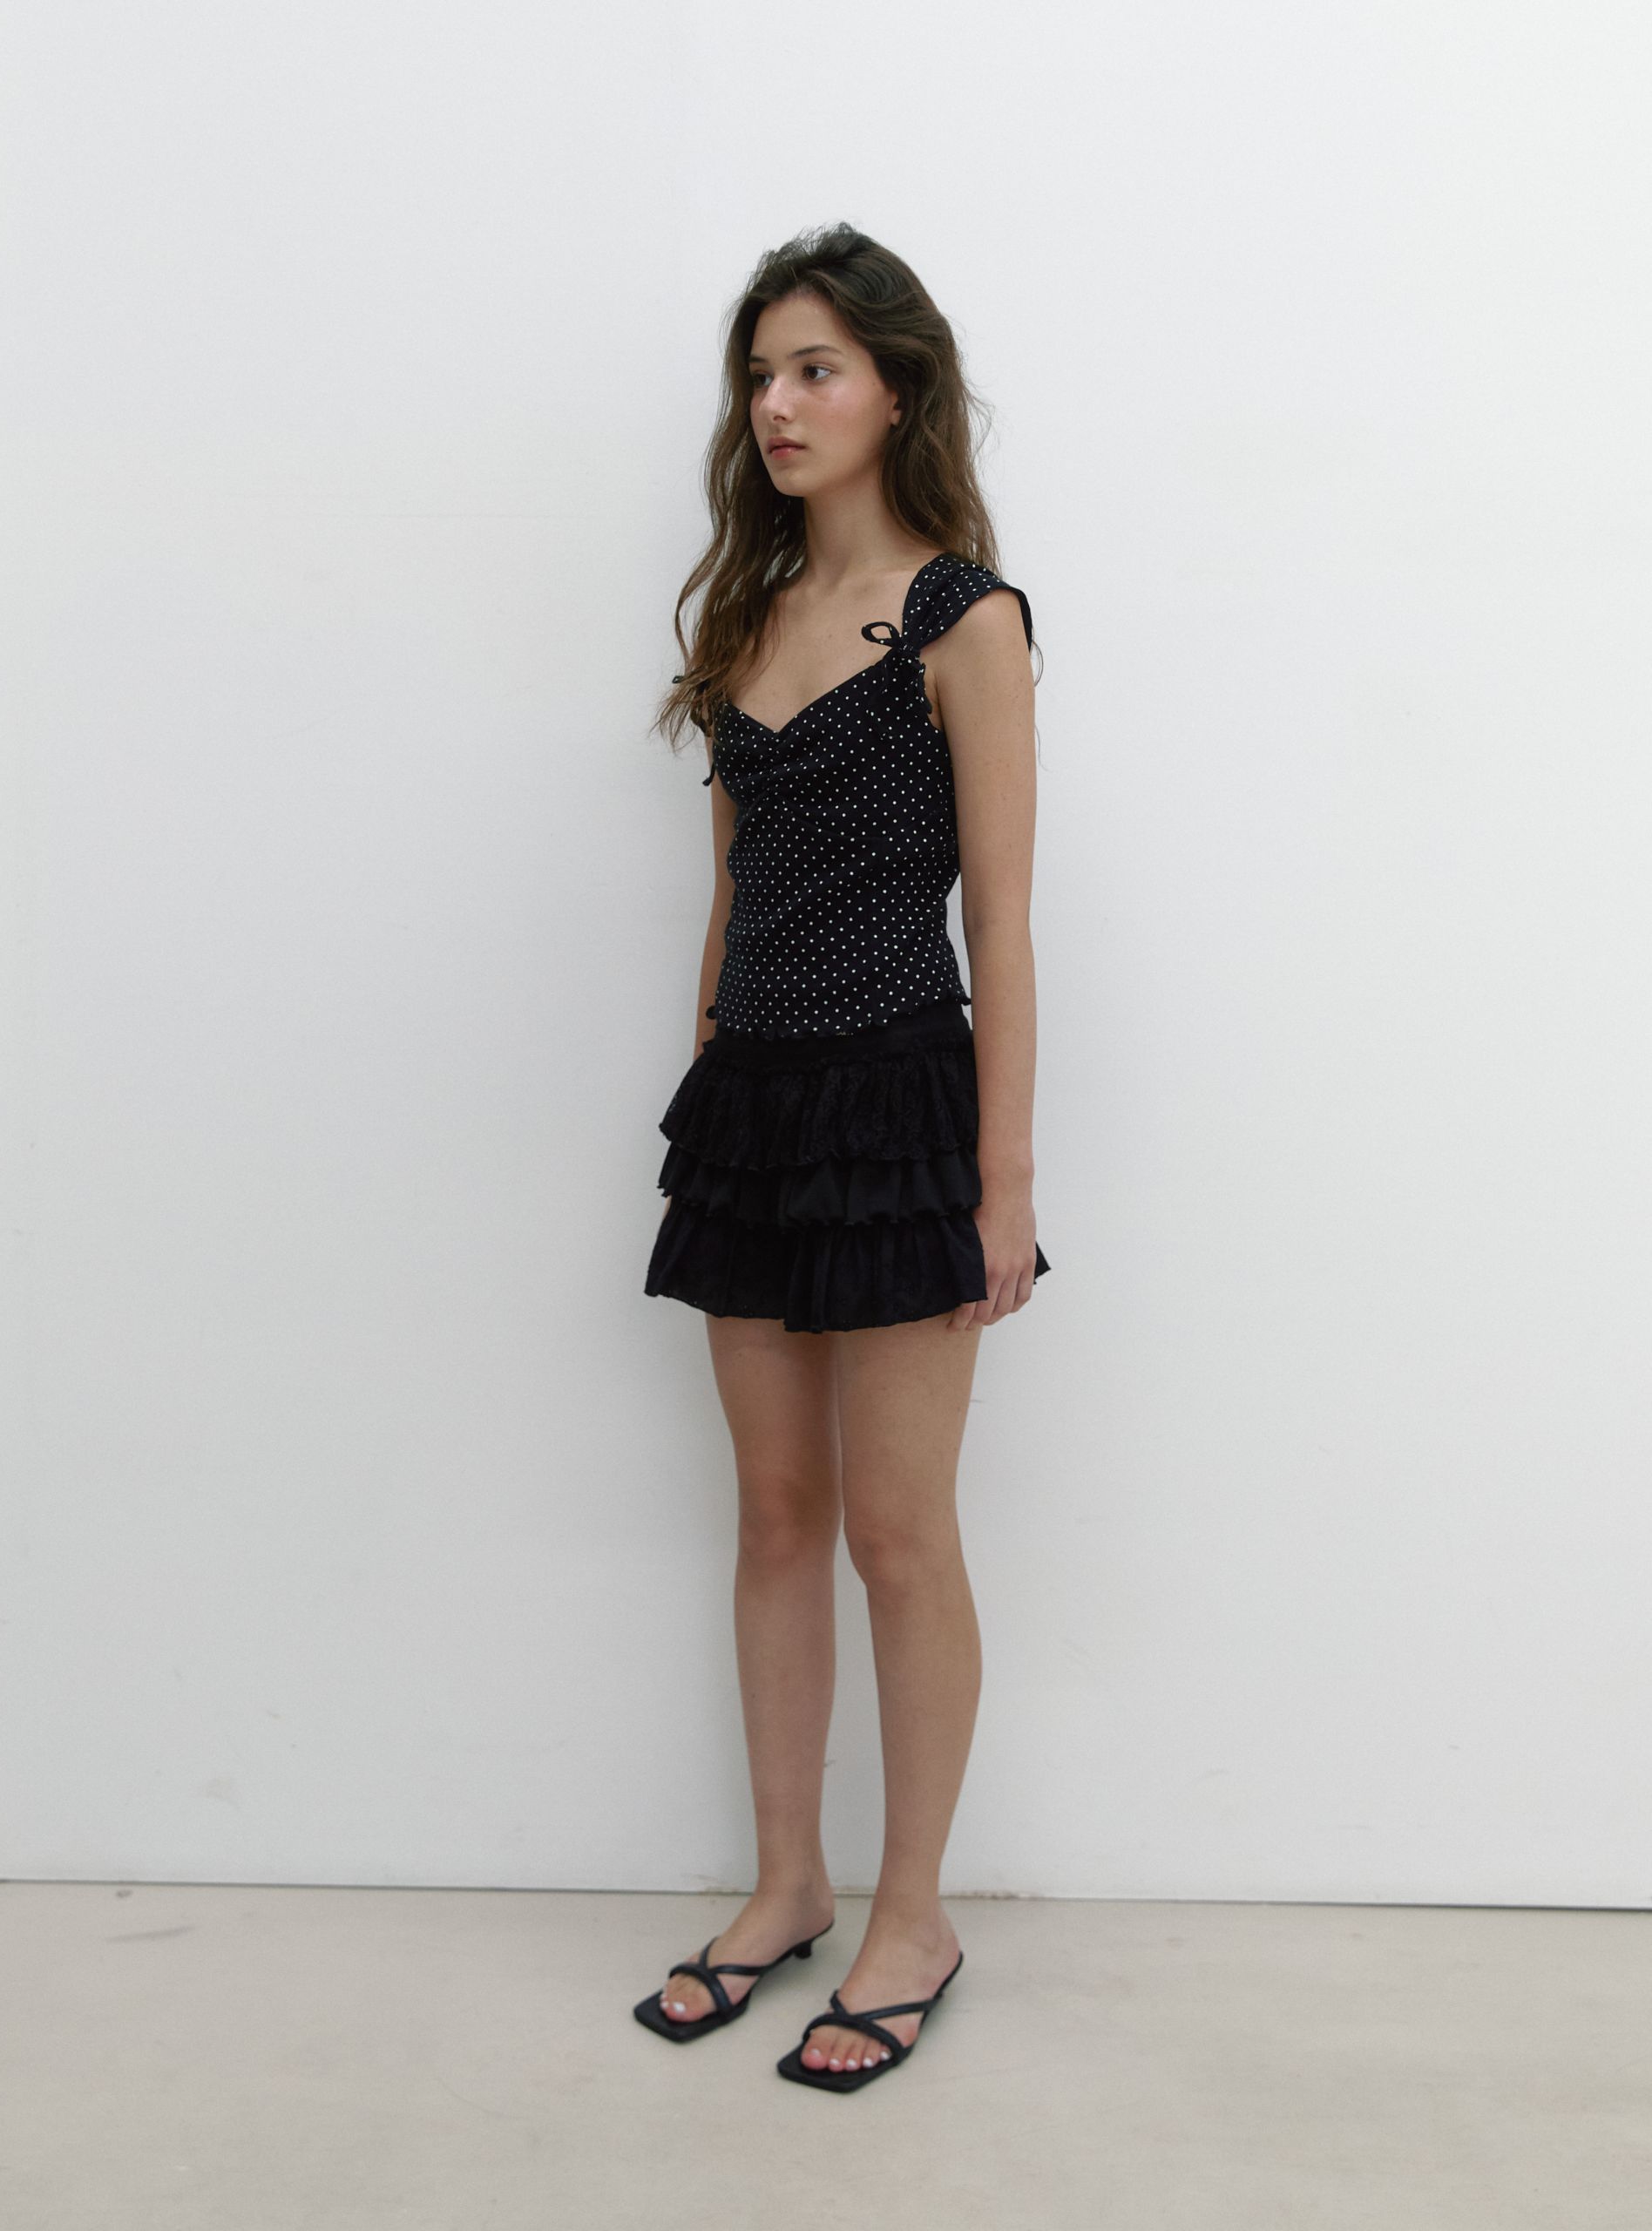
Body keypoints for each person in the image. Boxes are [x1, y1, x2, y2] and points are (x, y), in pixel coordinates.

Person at [637, 222, 1053, 2093]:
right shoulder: (743, 622)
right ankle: (788, 1880)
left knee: (898, 1529)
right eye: (761, 373)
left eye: (814, 368)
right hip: (754, 1111)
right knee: (776, 1516)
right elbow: (731, 899)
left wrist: (1002, 1184)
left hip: (899, 1106)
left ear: (897, 387)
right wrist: (705, 1094)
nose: (778, 404)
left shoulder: (967, 619)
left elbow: (1006, 924)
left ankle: (915, 1913)